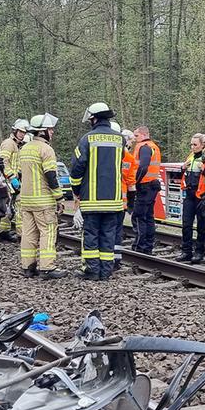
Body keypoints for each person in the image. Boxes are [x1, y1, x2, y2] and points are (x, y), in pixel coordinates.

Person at [70, 103, 125, 280]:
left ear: (94, 118)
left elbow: (78, 167)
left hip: (92, 200)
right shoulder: (120, 139)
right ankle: (106, 271)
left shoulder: (87, 139)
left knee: (91, 236)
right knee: (109, 236)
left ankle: (93, 271)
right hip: (114, 200)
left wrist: (76, 189)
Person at [17, 113, 66, 279]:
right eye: (50, 130)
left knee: (29, 234)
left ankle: (28, 267)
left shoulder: (24, 148)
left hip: (26, 200)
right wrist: (59, 198)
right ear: (43, 131)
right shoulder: (46, 149)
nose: (52, 132)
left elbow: (20, 174)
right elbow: (51, 175)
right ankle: (47, 268)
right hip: (43, 201)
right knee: (48, 232)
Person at [178, 133, 205, 263]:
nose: (192, 147)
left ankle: (199, 251)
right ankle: (186, 251)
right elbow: (186, 174)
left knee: (201, 225)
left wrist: (204, 170)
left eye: (195, 144)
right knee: (186, 224)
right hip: (189, 194)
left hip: (202, 196)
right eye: (191, 144)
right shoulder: (191, 157)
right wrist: (182, 168)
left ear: (203, 145)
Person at [130, 126, 162, 253]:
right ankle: (148, 246)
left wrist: (135, 181)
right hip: (152, 185)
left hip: (144, 186)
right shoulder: (153, 146)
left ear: (143, 135)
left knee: (138, 216)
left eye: (136, 136)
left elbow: (143, 166)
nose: (135, 138)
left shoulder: (144, 147)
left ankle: (140, 246)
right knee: (149, 216)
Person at [0, 119, 29, 242]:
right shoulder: (9, 143)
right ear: (15, 131)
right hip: (9, 180)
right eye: (20, 132)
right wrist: (12, 178)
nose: (22, 134)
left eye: (24, 132)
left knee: (9, 207)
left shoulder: (17, 145)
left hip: (13, 180)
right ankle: (21, 235)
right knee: (19, 206)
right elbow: (3, 162)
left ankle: (4, 233)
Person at [116, 126, 137, 269]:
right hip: (121, 203)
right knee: (117, 231)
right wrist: (131, 203)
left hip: (103, 199)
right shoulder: (129, 158)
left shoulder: (106, 154)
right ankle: (115, 260)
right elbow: (131, 184)